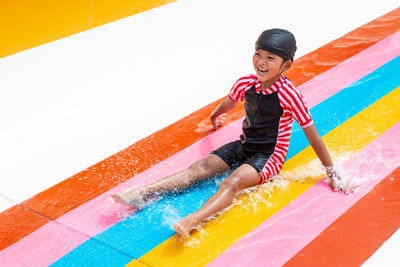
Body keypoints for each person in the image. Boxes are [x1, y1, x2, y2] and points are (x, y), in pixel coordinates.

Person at [111, 28, 349, 239]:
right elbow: (229, 103)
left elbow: (313, 135)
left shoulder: (290, 95)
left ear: (286, 65)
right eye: (258, 54)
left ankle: (193, 219)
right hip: (244, 145)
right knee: (199, 169)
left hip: (269, 156)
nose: (261, 62)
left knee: (231, 182)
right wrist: (215, 117)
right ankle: (141, 194)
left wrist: (331, 172)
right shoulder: (246, 82)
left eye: (270, 58)